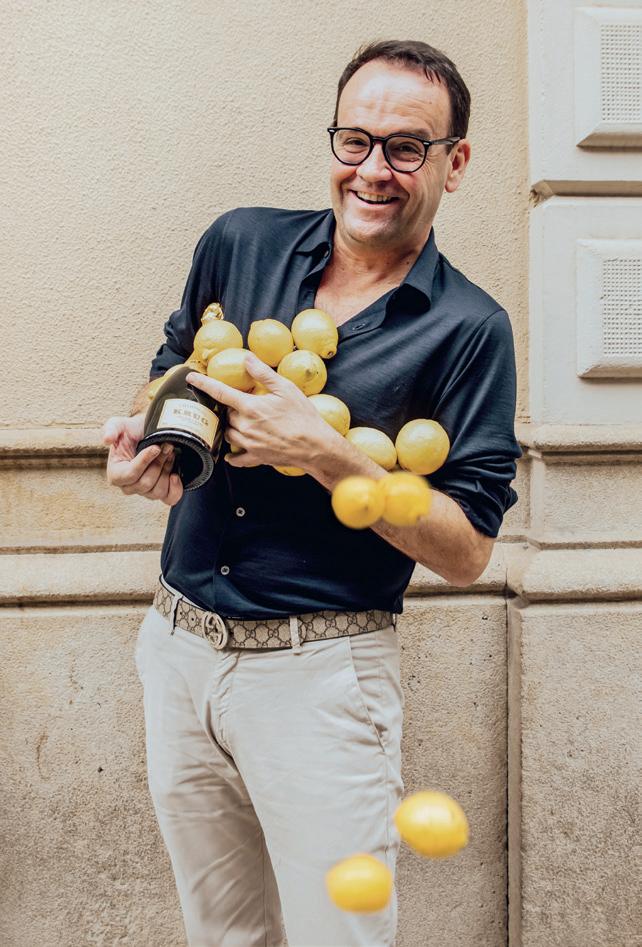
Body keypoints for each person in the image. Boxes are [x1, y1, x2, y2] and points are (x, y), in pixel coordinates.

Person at [103, 39, 520, 947]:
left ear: (455, 162)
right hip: (177, 650)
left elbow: (467, 550)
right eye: (354, 140)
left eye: (405, 147)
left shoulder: (470, 329)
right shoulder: (239, 241)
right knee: (223, 936)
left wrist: (330, 456)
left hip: (320, 677)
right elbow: (172, 371)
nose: (372, 170)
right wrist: (149, 442)